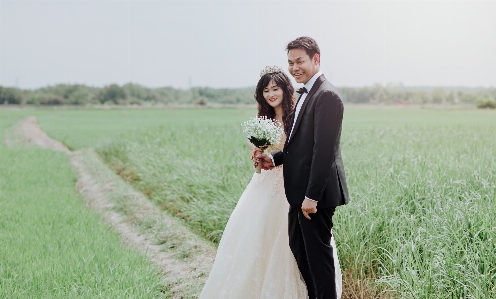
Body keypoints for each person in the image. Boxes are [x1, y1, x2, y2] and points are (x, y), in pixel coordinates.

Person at [199, 66, 342, 299]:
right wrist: (259, 157)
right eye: (266, 90)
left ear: (286, 89)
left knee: (297, 244)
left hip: (292, 183)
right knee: (258, 241)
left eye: (275, 88)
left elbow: (303, 151)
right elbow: (258, 170)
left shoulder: (297, 115)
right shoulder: (260, 122)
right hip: (265, 187)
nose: (271, 94)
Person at [256, 37, 350, 299]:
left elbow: (324, 152)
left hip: (314, 195)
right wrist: (273, 159)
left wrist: (312, 196)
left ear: (315, 59)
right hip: (298, 194)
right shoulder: (305, 93)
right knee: (299, 248)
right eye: (290, 63)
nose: (295, 67)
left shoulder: (326, 95)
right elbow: (299, 146)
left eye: (300, 61)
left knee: (319, 260)